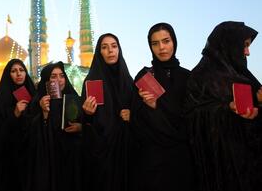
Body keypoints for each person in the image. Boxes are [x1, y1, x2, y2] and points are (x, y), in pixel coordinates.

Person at [184, 21, 262, 191]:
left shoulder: (245, 77)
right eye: (245, 45)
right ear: (229, 44)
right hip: (218, 170)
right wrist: (226, 109)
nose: (247, 52)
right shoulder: (200, 78)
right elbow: (191, 118)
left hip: (250, 168)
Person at [130, 23, 195, 191]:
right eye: (155, 43)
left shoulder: (188, 77)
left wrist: (159, 107)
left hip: (182, 158)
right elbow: (135, 121)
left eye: (166, 41)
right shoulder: (144, 76)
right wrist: (150, 108)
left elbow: (193, 117)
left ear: (174, 42)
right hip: (153, 160)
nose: (161, 47)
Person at [81, 33, 134, 191]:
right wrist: (88, 115)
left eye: (114, 46)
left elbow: (140, 112)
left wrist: (133, 114)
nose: (110, 50)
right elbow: (87, 126)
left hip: (128, 151)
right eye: (104, 47)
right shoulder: (91, 81)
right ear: (99, 52)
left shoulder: (129, 81)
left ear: (119, 49)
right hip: (103, 154)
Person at [26, 61, 82, 191]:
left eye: (62, 76)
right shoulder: (37, 102)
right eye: (53, 76)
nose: (59, 80)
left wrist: (80, 127)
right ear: (46, 80)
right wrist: (44, 113)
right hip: (48, 160)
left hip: (70, 160)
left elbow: (86, 124)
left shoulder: (73, 99)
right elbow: (30, 135)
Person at [0, 59, 36, 191]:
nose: (18, 74)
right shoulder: (1, 100)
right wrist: (14, 115)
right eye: (14, 71)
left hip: (32, 157)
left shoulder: (34, 95)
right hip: (10, 161)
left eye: (21, 70)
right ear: (8, 75)